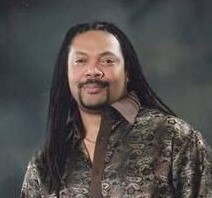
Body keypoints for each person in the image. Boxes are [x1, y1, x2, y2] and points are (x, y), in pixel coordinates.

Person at [21, 21, 212, 198]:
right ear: (66, 74)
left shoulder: (173, 137)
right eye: (80, 61)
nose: (93, 70)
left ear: (127, 72)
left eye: (107, 61)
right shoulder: (44, 163)